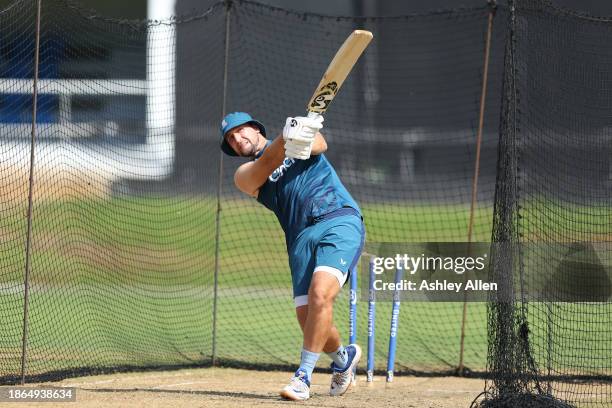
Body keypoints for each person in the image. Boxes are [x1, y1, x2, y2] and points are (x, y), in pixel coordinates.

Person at [219, 111, 364, 400]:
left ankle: (303, 377)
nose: (237, 139)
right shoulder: (244, 175)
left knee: (321, 295)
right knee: (307, 316)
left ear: (255, 128)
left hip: (337, 218)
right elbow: (267, 163)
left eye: (240, 131)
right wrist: (289, 138)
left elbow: (321, 144)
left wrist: (302, 135)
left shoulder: (296, 139)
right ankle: (343, 359)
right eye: (231, 139)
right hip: (299, 239)